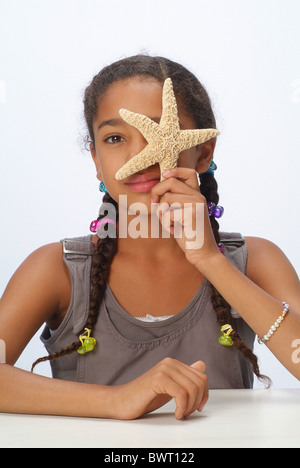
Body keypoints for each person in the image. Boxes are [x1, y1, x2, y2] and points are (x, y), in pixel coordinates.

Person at [0, 55, 299, 421]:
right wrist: (118, 400)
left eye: (160, 135)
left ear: (203, 151)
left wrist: (210, 259)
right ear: (96, 159)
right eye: (114, 138)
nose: (140, 157)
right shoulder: (56, 269)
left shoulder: (256, 260)